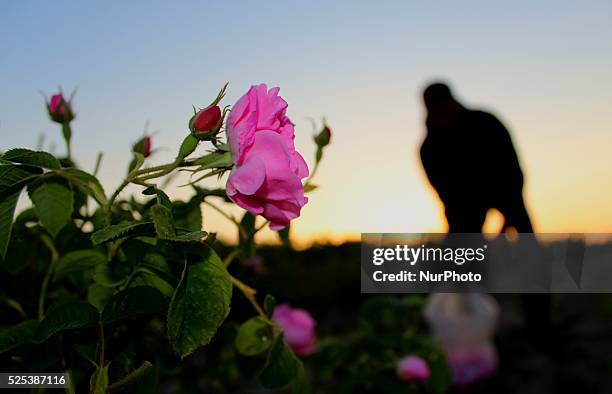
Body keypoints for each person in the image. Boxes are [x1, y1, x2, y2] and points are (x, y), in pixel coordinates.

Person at [419, 82, 533, 233]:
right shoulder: (429, 149)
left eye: (442, 105)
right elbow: (448, 198)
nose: (441, 113)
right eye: (435, 108)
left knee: (525, 236)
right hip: (464, 208)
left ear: (452, 101)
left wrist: (509, 217)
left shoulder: (486, 122)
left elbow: (512, 168)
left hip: (505, 192)